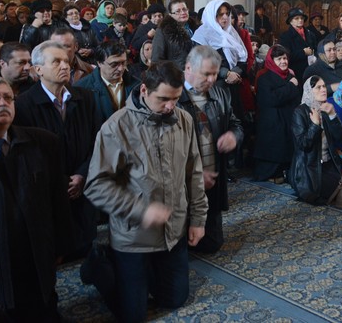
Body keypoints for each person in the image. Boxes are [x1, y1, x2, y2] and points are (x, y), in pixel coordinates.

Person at [84, 61, 208, 322]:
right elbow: (95, 185)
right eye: (163, 99)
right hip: (133, 237)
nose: (170, 106)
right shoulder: (116, 126)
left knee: (175, 299)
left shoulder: (183, 119)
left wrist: (198, 220)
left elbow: (193, 171)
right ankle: (100, 269)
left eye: (175, 99)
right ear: (143, 91)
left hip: (173, 231)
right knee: (133, 314)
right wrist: (141, 210)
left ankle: (147, 275)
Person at [0, 76, 72, 322]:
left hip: (33, 259)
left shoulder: (43, 142)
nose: (3, 103)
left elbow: (59, 201)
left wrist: (59, 248)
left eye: (8, 98)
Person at [14, 40, 102, 259]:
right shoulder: (24, 105)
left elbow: (97, 140)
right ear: (38, 70)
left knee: (85, 249)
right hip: (48, 191)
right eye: (56, 62)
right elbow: (28, 154)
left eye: (66, 61)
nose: (65, 66)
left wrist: (82, 174)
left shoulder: (85, 98)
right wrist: (61, 181)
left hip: (83, 186)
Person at [178, 46, 243, 253]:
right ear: (188, 68)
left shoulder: (220, 93)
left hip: (212, 174)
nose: (212, 79)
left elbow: (236, 124)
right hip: (183, 180)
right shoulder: (172, 96)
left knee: (212, 245)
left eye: (215, 74)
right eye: (206, 74)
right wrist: (194, 174)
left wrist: (234, 136)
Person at [289, 75, 342, 204]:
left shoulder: (326, 109)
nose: (323, 90)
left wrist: (332, 115)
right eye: (318, 87)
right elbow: (303, 144)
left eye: (324, 86)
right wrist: (315, 125)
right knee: (335, 192)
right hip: (309, 168)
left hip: (328, 164)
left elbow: (340, 137)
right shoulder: (300, 112)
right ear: (310, 91)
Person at [253, 45, 301, 181]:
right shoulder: (264, 78)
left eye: (285, 58)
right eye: (279, 59)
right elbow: (271, 99)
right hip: (272, 122)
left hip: (289, 119)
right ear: (271, 61)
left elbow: (296, 96)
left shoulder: (290, 76)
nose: (283, 62)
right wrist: (290, 87)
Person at [75, 41, 138, 125]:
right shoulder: (82, 88)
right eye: (114, 64)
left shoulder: (137, 86)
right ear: (99, 63)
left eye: (123, 63)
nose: (120, 68)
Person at [151, 0, 195, 69]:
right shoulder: (163, 31)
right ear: (170, 15)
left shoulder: (195, 28)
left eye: (184, 9)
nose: (183, 12)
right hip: (176, 75)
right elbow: (157, 60)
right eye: (178, 11)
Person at [279, 7, 316, 79]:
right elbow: (286, 55)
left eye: (302, 18)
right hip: (295, 71)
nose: (300, 20)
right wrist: (303, 52)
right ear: (290, 21)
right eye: (296, 18)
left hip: (311, 69)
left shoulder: (310, 34)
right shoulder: (285, 36)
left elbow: (315, 48)